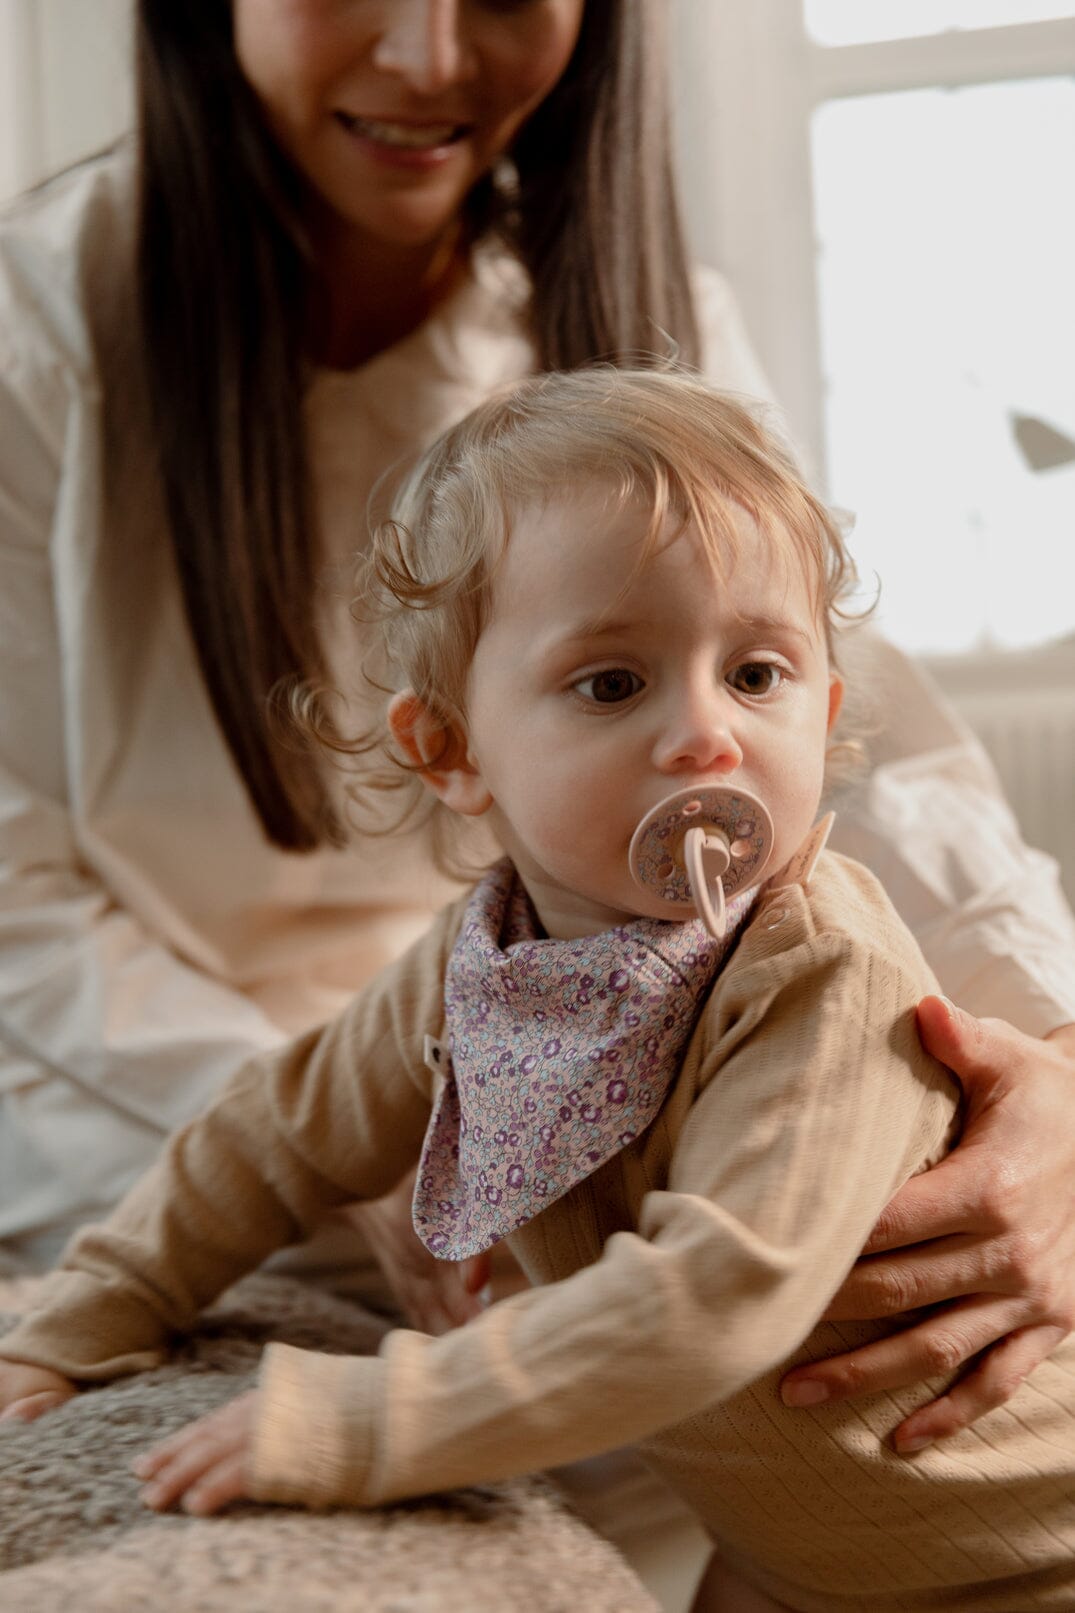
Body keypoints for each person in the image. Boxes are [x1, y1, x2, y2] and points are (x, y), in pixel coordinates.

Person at [0, 0, 1072, 1496]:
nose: (432, 58)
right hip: (158, 1119)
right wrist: (399, 1184)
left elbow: (873, 746)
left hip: (602, 1224)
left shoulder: (648, 318)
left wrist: (1057, 1067)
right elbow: (41, 927)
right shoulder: (35, 338)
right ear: (437, 749)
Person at [2, 371, 1073, 1613]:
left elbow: (715, 1294)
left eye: (758, 673)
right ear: (450, 750)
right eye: (613, 683)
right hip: (791, 1563)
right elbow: (271, 1131)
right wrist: (94, 1309)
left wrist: (377, 1416)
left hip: (1028, 1554)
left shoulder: (821, 974)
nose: (706, 734)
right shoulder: (484, 964)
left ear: (827, 708)